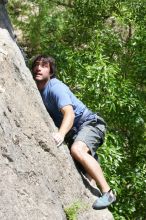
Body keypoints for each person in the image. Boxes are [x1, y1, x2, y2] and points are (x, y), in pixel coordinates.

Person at [31, 55, 116, 210]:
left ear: (51, 72)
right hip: (76, 133)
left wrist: (60, 134)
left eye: (44, 66)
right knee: (85, 174)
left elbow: (69, 114)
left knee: (77, 150)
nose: (38, 68)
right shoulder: (37, 91)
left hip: (90, 124)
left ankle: (108, 192)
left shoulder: (55, 87)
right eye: (36, 65)